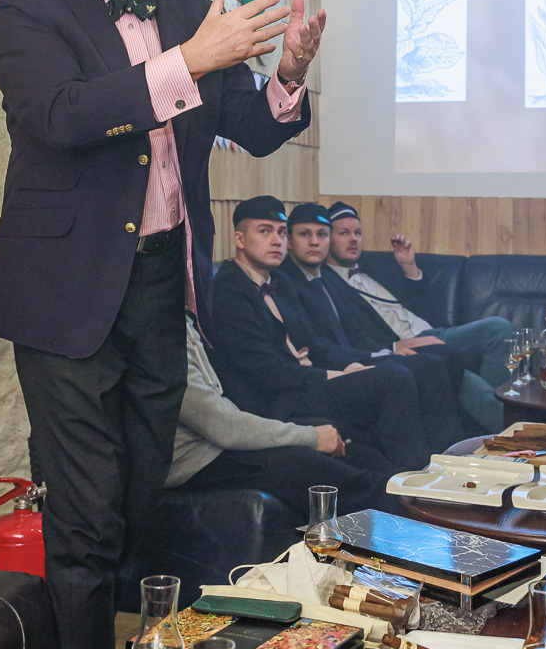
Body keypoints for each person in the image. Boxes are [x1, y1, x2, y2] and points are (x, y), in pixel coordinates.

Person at [0, 0, 325, 649]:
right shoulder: (28, 3)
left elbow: (252, 126)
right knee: (85, 521)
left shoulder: (192, 12)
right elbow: (60, 116)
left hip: (163, 285)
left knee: (133, 503)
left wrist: (286, 74)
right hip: (64, 292)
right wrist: (189, 62)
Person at [211, 195, 435, 471]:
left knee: (404, 371)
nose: (276, 241)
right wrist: (333, 374)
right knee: (394, 378)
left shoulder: (279, 280)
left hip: (305, 382)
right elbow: (266, 371)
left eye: (281, 232)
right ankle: (418, 482)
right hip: (278, 400)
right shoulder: (228, 289)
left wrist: (350, 366)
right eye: (265, 232)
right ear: (240, 239)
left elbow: (312, 341)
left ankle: (431, 468)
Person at [168, 315, 401, 517]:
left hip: (220, 440)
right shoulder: (164, 332)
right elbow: (224, 427)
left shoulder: (185, 320)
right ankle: (408, 514)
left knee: (353, 447)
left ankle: (407, 489)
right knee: (315, 467)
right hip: (197, 461)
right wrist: (311, 437)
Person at [277, 202, 463, 450]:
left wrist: (387, 351)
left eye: (321, 235)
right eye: (304, 234)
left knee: (435, 361)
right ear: (289, 240)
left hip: (355, 356)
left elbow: (356, 333)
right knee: (417, 368)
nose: (314, 242)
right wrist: (383, 354)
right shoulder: (284, 281)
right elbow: (317, 347)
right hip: (329, 371)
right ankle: (427, 461)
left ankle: (448, 453)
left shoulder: (328, 278)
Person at [324, 202, 512, 431]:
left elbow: (423, 311)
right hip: (405, 346)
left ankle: (494, 414)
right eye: (344, 233)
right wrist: (394, 346)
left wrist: (409, 267)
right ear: (327, 239)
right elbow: (351, 337)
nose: (353, 239)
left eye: (358, 233)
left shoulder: (377, 268)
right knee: (456, 371)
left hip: (434, 332)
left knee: (499, 327)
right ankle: (506, 425)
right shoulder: (326, 284)